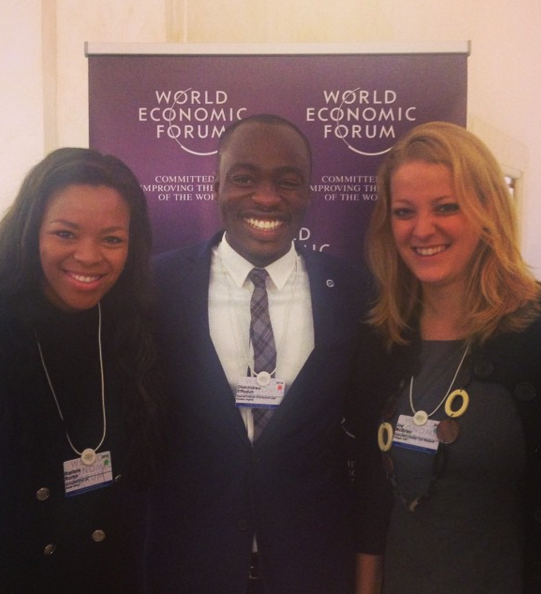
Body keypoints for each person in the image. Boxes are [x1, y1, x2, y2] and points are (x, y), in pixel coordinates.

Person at [146, 114, 372, 594]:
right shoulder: (156, 286)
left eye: (287, 182)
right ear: (216, 186)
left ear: (308, 192)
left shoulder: (353, 293)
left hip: (312, 573)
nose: (266, 198)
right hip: (188, 569)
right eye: (244, 178)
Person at [351, 121, 541, 594]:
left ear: (488, 210)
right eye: (404, 212)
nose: (422, 229)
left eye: (446, 207)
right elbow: (372, 494)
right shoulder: (384, 338)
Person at [0, 148, 162, 593]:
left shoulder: (134, 331)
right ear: (29, 233)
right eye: (65, 233)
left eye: (111, 239)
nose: (89, 256)